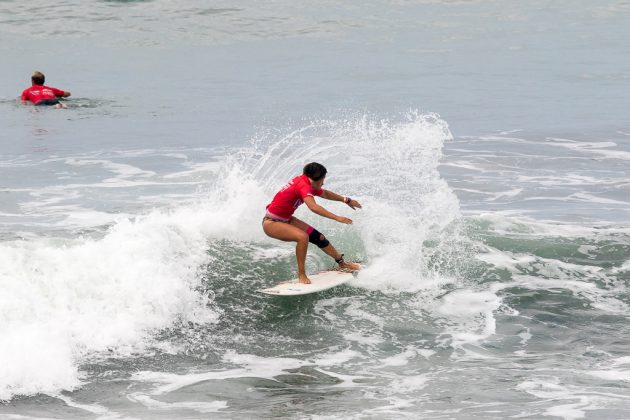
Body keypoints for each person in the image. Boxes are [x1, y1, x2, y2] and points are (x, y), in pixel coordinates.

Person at [263, 162, 362, 284]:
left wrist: (346, 200)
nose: (323, 183)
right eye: (322, 180)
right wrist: (337, 217)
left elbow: (325, 193)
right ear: (316, 179)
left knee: (318, 237)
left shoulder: (306, 181)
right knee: (302, 237)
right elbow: (313, 207)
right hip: (271, 223)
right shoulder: (303, 185)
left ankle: (342, 264)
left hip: (286, 219)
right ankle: (302, 275)